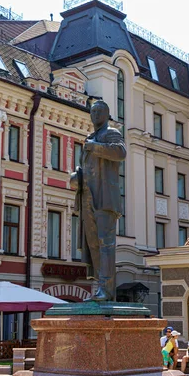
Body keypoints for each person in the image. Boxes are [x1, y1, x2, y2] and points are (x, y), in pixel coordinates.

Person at [70, 100, 126, 301]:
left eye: (99, 112)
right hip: (88, 196)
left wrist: (95, 147)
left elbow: (120, 152)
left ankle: (107, 290)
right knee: (93, 244)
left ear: (106, 114)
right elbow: (86, 168)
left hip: (104, 197)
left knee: (105, 244)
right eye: (92, 112)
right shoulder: (90, 138)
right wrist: (77, 177)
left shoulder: (111, 133)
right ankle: (100, 288)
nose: (95, 115)